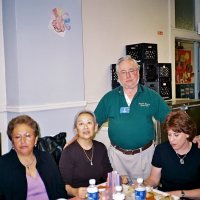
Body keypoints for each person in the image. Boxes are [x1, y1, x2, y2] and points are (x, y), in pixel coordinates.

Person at [94, 55, 170, 183]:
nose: (128, 76)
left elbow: (171, 121)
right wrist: (75, 141)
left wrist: (190, 137)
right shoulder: (109, 98)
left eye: (131, 71)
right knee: (118, 193)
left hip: (144, 157)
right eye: (123, 72)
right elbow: (91, 124)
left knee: (145, 194)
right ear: (118, 76)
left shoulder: (152, 96)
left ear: (138, 72)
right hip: (116, 157)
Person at [0, 115, 68, 200]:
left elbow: (60, 191)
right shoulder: (3, 165)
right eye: (18, 137)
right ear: (12, 142)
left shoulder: (47, 158)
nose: (23, 141)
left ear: (35, 139)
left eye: (28, 136)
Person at [144, 110, 200, 199]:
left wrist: (180, 193)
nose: (171, 140)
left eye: (176, 135)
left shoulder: (197, 151)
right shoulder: (161, 150)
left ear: (188, 134)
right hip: (166, 197)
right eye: (169, 135)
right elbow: (154, 179)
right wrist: (143, 184)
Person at [59, 110, 113, 199]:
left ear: (95, 127)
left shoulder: (101, 147)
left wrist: (116, 178)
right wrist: (75, 191)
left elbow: (107, 174)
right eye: (81, 124)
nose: (85, 127)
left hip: (96, 195)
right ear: (76, 129)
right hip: (76, 197)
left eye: (89, 123)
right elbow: (63, 185)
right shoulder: (68, 152)